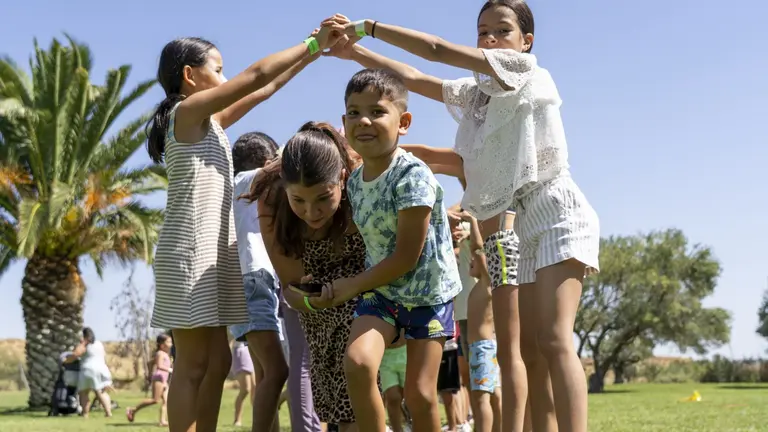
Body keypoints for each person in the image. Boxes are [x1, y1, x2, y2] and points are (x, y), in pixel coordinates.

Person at [323, 2, 601, 429]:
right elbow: (412, 79)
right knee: (531, 351)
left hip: (555, 209)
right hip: (518, 222)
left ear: (526, 41)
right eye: (482, 31)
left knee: (554, 338)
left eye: (502, 31)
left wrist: (367, 28)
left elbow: (435, 49)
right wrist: (353, 53)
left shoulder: (524, 70)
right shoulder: (478, 98)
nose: (490, 38)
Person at [147, 28, 343, 431]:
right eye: (218, 69)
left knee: (219, 361)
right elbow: (255, 76)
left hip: (214, 252)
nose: (226, 77)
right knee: (194, 362)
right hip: (189, 250)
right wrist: (309, 43)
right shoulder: (186, 114)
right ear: (189, 75)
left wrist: (311, 55)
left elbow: (264, 88)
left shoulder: (210, 123)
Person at [325, 68, 461, 432]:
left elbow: (405, 257)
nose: (364, 120)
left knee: (420, 394)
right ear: (344, 122)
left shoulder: (412, 175)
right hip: (383, 293)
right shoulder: (355, 182)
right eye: (354, 112)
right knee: (358, 363)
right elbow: (364, 238)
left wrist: (352, 286)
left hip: (428, 296)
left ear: (403, 123)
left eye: (377, 111)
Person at [249, 121, 364, 432]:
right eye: (298, 200)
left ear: (342, 179)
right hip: (320, 316)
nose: (312, 212)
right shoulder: (272, 199)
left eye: (323, 198)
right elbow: (293, 287)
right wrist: (313, 300)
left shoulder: (363, 182)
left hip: (370, 301)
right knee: (342, 411)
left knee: (362, 398)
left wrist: (354, 288)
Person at [228, 131, 287, 432]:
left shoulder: (236, 188)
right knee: (278, 370)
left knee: (265, 374)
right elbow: (283, 166)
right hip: (254, 280)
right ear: (266, 161)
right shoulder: (245, 180)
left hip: (248, 282)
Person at [460, 210, 503, 432]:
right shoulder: (481, 286)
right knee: (494, 395)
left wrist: (473, 221)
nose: (471, 261)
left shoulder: (487, 283)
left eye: (475, 261)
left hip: (482, 348)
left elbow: (478, 248)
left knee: (480, 398)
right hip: (484, 348)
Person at [126, 334, 174, 426]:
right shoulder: (160, 353)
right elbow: (159, 366)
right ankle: (132, 410)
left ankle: (162, 421)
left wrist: (150, 373)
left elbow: (150, 363)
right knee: (155, 400)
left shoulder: (165, 354)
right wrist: (170, 370)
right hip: (158, 379)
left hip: (163, 380)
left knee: (166, 401)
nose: (171, 344)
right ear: (162, 345)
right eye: (169, 342)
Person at [69, 327, 113, 418]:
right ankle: (108, 413)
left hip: (88, 370)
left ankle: (85, 414)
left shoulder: (85, 344)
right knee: (100, 392)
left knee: (84, 393)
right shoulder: (99, 344)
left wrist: (66, 361)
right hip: (101, 369)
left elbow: (75, 354)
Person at [379, 330, 409, 432]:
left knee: (408, 396)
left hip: (405, 351)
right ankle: (397, 429)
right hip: (385, 356)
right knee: (393, 397)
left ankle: (410, 423)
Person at [230, 340, 256, 427]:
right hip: (240, 351)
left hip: (249, 350)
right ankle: (237, 420)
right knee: (245, 389)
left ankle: (257, 417)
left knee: (254, 387)